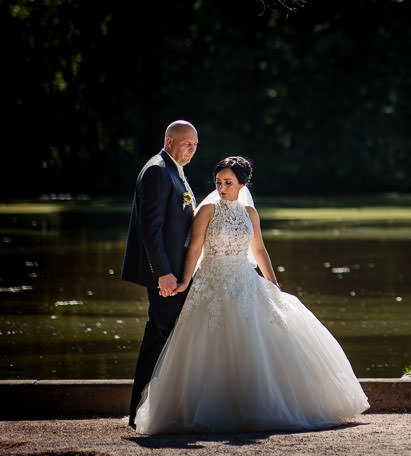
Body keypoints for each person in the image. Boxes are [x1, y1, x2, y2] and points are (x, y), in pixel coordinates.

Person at [133, 156, 368, 434]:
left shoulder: (250, 213)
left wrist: (274, 284)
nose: (222, 187)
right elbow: (194, 249)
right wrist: (185, 281)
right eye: (219, 182)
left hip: (245, 280)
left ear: (242, 184)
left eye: (228, 182)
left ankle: (263, 407)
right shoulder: (207, 210)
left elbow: (259, 250)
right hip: (211, 281)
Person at [121, 120, 199, 427]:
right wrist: (163, 274)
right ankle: (164, 413)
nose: (192, 149)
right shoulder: (156, 170)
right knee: (168, 340)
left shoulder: (173, 169)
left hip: (175, 272)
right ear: (169, 141)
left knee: (157, 338)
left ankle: (139, 411)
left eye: (195, 145)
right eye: (186, 144)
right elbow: (150, 230)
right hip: (165, 275)